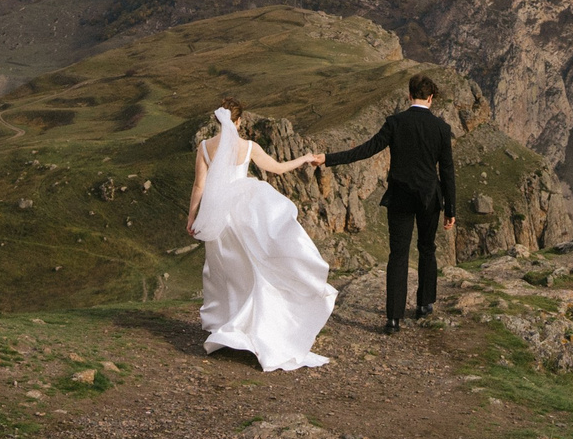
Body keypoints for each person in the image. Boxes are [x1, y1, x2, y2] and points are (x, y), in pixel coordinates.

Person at [187, 107, 338, 370]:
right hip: (244, 213)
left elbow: (199, 186)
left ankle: (231, 326)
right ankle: (252, 329)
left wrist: (192, 218)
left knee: (227, 272)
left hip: (217, 217)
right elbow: (278, 169)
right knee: (253, 270)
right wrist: (303, 158)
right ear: (240, 120)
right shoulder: (247, 147)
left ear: (219, 120)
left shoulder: (204, 147)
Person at [324, 73, 456, 333]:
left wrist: (328, 159)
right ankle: (424, 305)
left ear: (409, 95)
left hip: (400, 197)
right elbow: (448, 171)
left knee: (398, 255)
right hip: (430, 198)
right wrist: (450, 209)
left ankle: (393, 318)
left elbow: (365, 150)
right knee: (427, 248)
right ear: (431, 98)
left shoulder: (395, 123)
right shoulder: (442, 128)